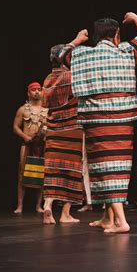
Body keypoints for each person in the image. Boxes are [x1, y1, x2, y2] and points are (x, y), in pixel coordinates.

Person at [60, 13, 137, 233]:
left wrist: (77, 39)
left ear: (95, 37)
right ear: (117, 36)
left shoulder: (83, 55)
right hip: (122, 121)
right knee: (117, 167)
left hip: (96, 121)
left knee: (103, 169)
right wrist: (135, 18)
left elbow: (60, 53)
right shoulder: (126, 52)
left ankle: (121, 222)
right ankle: (107, 217)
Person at [42, 44, 87, 224]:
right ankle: (66, 213)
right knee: (71, 171)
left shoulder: (48, 79)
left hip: (53, 130)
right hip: (72, 130)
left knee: (53, 170)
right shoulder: (71, 76)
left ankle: (47, 205)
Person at [13, 82, 48, 214]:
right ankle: (20, 205)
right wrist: (24, 136)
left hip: (41, 146)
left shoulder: (47, 110)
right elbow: (15, 127)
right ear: (28, 93)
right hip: (27, 144)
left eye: (39, 90)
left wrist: (46, 136)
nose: (37, 92)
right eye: (34, 90)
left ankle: (38, 206)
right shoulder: (23, 109)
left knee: (41, 175)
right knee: (22, 174)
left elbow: (50, 127)